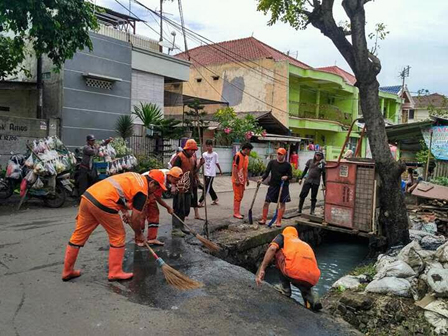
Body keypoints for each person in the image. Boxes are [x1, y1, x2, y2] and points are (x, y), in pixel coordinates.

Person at [61, 171, 166, 282]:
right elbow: (136, 218)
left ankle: (67, 271)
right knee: (118, 235)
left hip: (88, 197)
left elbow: (118, 190)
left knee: (79, 235)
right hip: (104, 202)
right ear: (152, 183)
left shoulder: (134, 177)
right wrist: (139, 234)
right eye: (157, 188)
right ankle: (115, 272)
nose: (156, 192)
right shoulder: (143, 191)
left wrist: (124, 211)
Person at [255, 227, 322, 311]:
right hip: (313, 276)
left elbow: (272, 248)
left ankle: (285, 288)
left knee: (279, 254)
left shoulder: (283, 237)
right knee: (303, 280)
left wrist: (262, 268)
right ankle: (311, 298)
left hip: (293, 271)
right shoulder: (303, 244)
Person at [135, 167, 183, 247]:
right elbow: (158, 198)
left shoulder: (168, 174)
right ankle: (139, 239)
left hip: (150, 191)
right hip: (142, 189)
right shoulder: (161, 179)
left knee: (154, 213)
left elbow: (156, 196)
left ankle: (151, 238)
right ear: (170, 176)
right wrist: (168, 207)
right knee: (141, 215)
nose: (176, 182)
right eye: (176, 180)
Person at [171, 139, 201, 237]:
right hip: (179, 186)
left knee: (186, 208)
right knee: (178, 207)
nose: (193, 152)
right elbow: (173, 172)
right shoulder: (179, 157)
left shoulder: (192, 158)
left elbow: (194, 170)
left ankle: (181, 226)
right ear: (187, 149)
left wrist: (200, 164)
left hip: (189, 186)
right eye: (191, 150)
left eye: (194, 150)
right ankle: (176, 228)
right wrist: (173, 185)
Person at [258, 148, 292, 227]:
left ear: (284, 155)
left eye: (281, 154)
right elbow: (266, 172)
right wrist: (261, 179)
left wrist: (286, 177)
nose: (279, 156)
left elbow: (291, 176)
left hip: (283, 186)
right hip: (273, 185)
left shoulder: (287, 165)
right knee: (266, 202)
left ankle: (278, 221)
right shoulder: (272, 163)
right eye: (278, 154)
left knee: (282, 203)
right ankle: (264, 219)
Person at [298, 151, 326, 215]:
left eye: (319, 155)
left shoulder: (322, 164)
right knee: (303, 194)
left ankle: (312, 211)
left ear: (321, 157)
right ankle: (299, 209)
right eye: (317, 155)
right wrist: (300, 178)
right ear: (315, 155)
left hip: (316, 182)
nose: (318, 156)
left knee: (313, 197)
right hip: (308, 180)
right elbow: (305, 170)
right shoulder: (310, 161)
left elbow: (324, 175)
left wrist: (325, 185)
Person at [198, 139, 223, 206]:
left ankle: (201, 202)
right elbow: (201, 162)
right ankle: (215, 199)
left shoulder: (215, 154)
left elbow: (217, 163)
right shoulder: (204, 154)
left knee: (206, 187)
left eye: (210, 146)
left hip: (211, 173)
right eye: (207, 146)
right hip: (205, 172)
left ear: (212, 146)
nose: (208, 147)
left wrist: (220, 171)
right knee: (209, 187)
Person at [232, 142, 253, 219]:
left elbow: (245, 170)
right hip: (237, 180)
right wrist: (236, 179)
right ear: (246, 149)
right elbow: (234, 168)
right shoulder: (237, 156)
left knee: (240, 196)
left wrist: (247, 179)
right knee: (237, 196)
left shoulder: (246, 157)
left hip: (242, 180)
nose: (250, 152)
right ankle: (236, 213)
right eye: (249, 150)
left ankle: (238, 211)